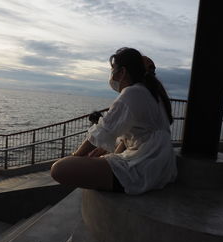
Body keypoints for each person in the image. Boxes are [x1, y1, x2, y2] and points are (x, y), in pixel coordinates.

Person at [51, 47, 177, 195]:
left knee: (60, 168)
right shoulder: (151, 94)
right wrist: (110, 156)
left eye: (113, 70)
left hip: (143, 168)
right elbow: (129, 139)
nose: (111, 75)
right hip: (160, 167)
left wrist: (75, 157)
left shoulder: (132, 92)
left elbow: (101, 132)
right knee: (100, 157)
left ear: (122, 72)